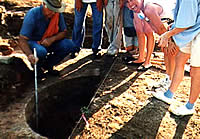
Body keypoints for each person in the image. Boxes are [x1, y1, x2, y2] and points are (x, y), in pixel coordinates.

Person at [152, 0, 200, 116]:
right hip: (193, 28)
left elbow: (188, 21)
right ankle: (169, 94)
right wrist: (174, 27)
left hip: (196, 30)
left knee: (196, 70)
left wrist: (168, 34)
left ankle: (190, 106)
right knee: (180, 58)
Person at [19, 0, 77, 78]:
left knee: (69, 45)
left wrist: (52, 39)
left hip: (50, 42)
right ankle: (38, 69)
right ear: (44, 4)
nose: (53, 13)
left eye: (55, 11)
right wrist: (29, 54)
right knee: (41, 51)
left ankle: (48, 65)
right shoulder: (32, 14)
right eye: (51, 10)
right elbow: (22, 39)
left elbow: (63, 32)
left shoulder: (57, 14)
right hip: (34, 42)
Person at [127, 0, 175, 71]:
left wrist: (170, 42)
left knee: (169, 51)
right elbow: (157, 29)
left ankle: (171, 78)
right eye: (127, 2)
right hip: (168, 28)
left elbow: (162, 29)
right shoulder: (142, 11)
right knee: (166, 49)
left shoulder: (149, 9)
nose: (130, 4)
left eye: (131, 0)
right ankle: (169, 77)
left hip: (175, 27)